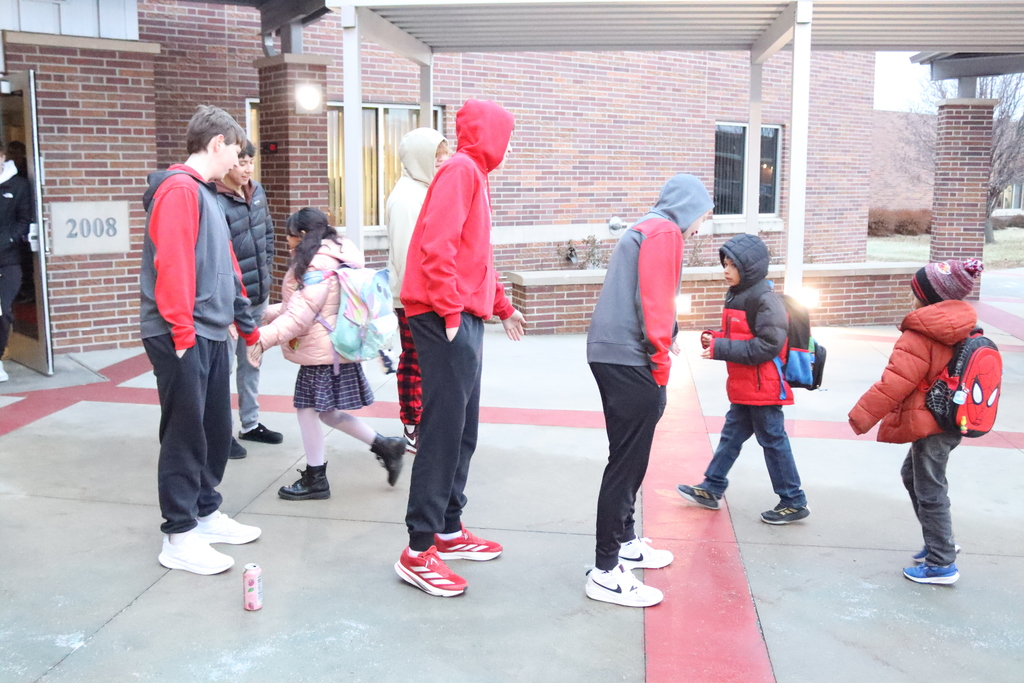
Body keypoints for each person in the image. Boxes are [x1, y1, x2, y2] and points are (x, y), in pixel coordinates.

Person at [393, 99, 525, 598]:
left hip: (462, 316)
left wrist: (502, 306)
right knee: (443, 432)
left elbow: (478, 258)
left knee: (462, 429)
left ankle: (447, 529)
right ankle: (418, 548)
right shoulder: (462, 170)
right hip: (443, 319)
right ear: (491, 136)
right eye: (507, 136)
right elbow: (436, 247)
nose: (509, 147)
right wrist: (450, 311)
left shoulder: (474, 175)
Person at [140, 105, 262, 575]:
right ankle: (179, 535)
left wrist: (245, 323)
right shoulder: (177, 190)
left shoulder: (205, 193)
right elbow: (173, 265)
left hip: (207, 330)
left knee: (213, 429)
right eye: (234, 148)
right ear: (217, 144)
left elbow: (228, 264)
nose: (237, 158)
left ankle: (205, 513)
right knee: (185, 433)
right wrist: (182, 332)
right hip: (181, 333)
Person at [584, 174, 713, 608]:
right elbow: (654, 301)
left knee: (626, 457)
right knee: (626, 463)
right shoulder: (664, 232)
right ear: (688, 208)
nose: (703, 227)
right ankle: (605, 570)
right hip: (629, 358)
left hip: (613, 353)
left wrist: (666, 334)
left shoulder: (648, 227)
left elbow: (647, 297)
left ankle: (623, 542)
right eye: (704, 216)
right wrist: (661, 363)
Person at [247, 208, 407, 499]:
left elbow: (300, 317)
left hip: (323, 353)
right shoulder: (338, 255)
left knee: (309, 412)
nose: (287, 240)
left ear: (304, 235)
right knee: (327, 413)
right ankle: (386, 446)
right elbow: (298, 307)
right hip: (334, 349)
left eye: (290, 234)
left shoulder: (316, 266)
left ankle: (315, 478)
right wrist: (260, 318)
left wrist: (261, 339)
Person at [849, 259, 984, 585]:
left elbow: (894, 383)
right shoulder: (964, 325)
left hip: (931, 423)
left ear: (927, 297)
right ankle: (940, 540)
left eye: (915, 292)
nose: (911, 297)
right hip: (952, 420)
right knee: (914, 476)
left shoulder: (921, 334)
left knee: (928, 486)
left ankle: (941, 562)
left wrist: (861, 415)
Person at [676, 233, 809, 525]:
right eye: (725, 263)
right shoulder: (739, 295)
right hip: (747, 386)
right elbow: (744, 336)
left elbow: (766, 346)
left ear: (748, 268)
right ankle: (711, 487)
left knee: (773, 441)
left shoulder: (765, 300)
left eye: (732, 265)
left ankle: (793, 499)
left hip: (764, 387)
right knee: (732, 437)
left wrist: (721, 348)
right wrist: (716, 339)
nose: (726, 270)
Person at [384, 127, 451, 452]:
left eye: (444, 156)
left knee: (425, 362)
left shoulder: (424, 190)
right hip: (413, 298)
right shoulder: (406, 198)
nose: (443, 162)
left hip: (424, 295)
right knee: (415, 361)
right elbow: (406, 254)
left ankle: (422, 423)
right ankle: (412, 426)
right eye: (437, 157)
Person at [215, 139, 282, 459]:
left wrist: (266, 272)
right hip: (229, 302)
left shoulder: (257, 192)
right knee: (223, 367)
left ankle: (250, 423)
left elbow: (268, 236)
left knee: (252, 361)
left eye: (250, 163)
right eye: (241, 162)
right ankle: (219, 431)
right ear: (227, 162)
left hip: (257, 295)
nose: (247, 169)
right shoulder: (215, 198)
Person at [0, 140, 33, 383]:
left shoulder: (19, 185)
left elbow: (25, 219)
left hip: (7, 260)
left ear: (2, 157)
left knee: (3, 312)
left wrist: (8, 238)